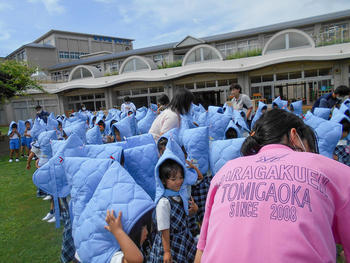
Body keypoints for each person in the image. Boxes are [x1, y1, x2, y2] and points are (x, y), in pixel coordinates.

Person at [195, 109, 350, 263]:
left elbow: (202, 251)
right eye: (308, 149)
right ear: (294, 136)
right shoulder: (333, 171)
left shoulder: (225, 171)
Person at [149, 158, 197, 263]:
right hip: (170, 242)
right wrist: (166, 252)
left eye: (181, 178)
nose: (179, 182)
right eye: (173, 179)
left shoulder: (181, 195)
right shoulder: (164, 202)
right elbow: (164, 228)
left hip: (184, 238)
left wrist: (194, 210)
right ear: (163, 181)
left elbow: (185, 217)